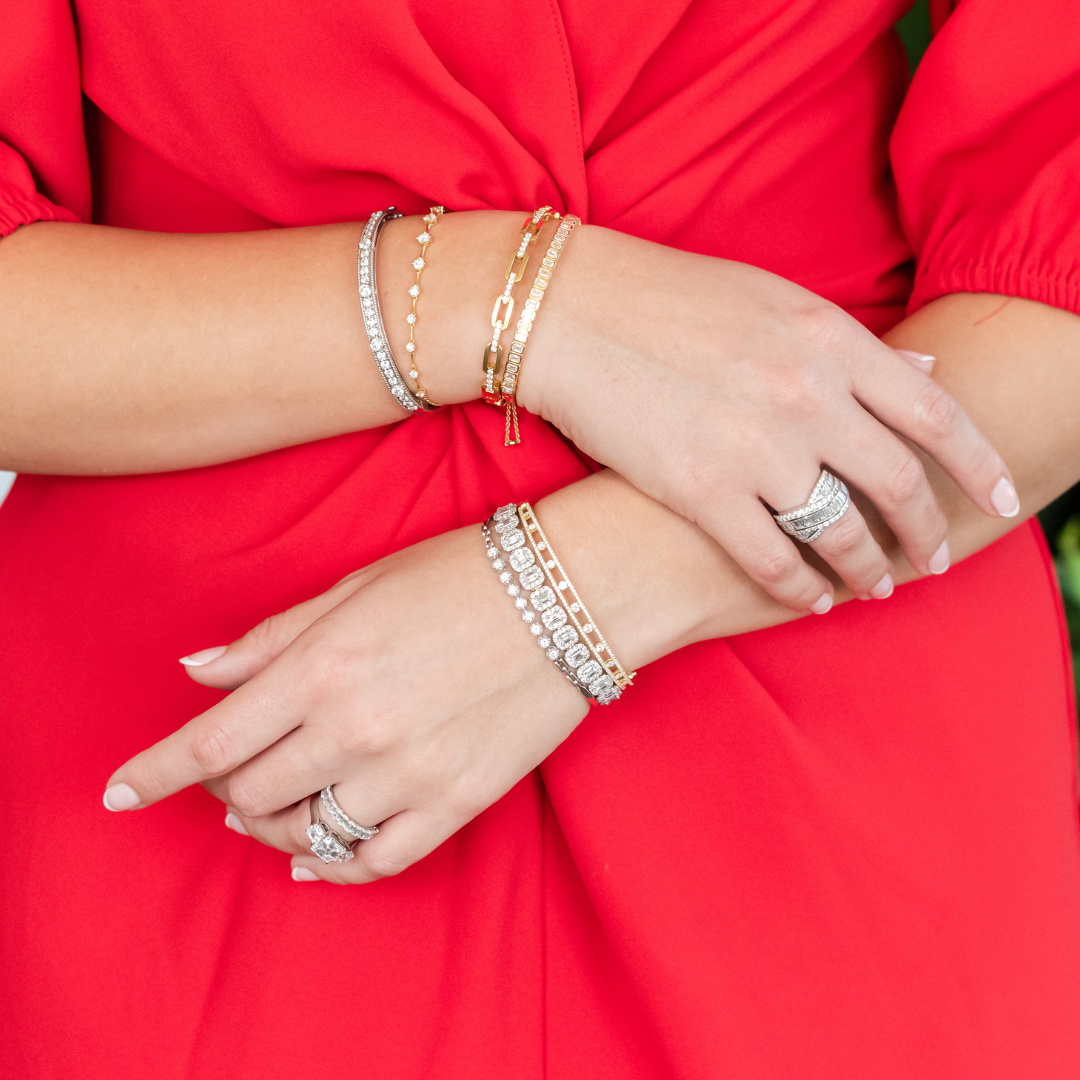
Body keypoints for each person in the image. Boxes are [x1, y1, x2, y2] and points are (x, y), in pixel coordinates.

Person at [1, 0, 1079, 1075]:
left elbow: (1056, 296)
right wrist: (521, 302)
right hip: (227, 750)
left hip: (838, 751)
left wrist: (569, 593)